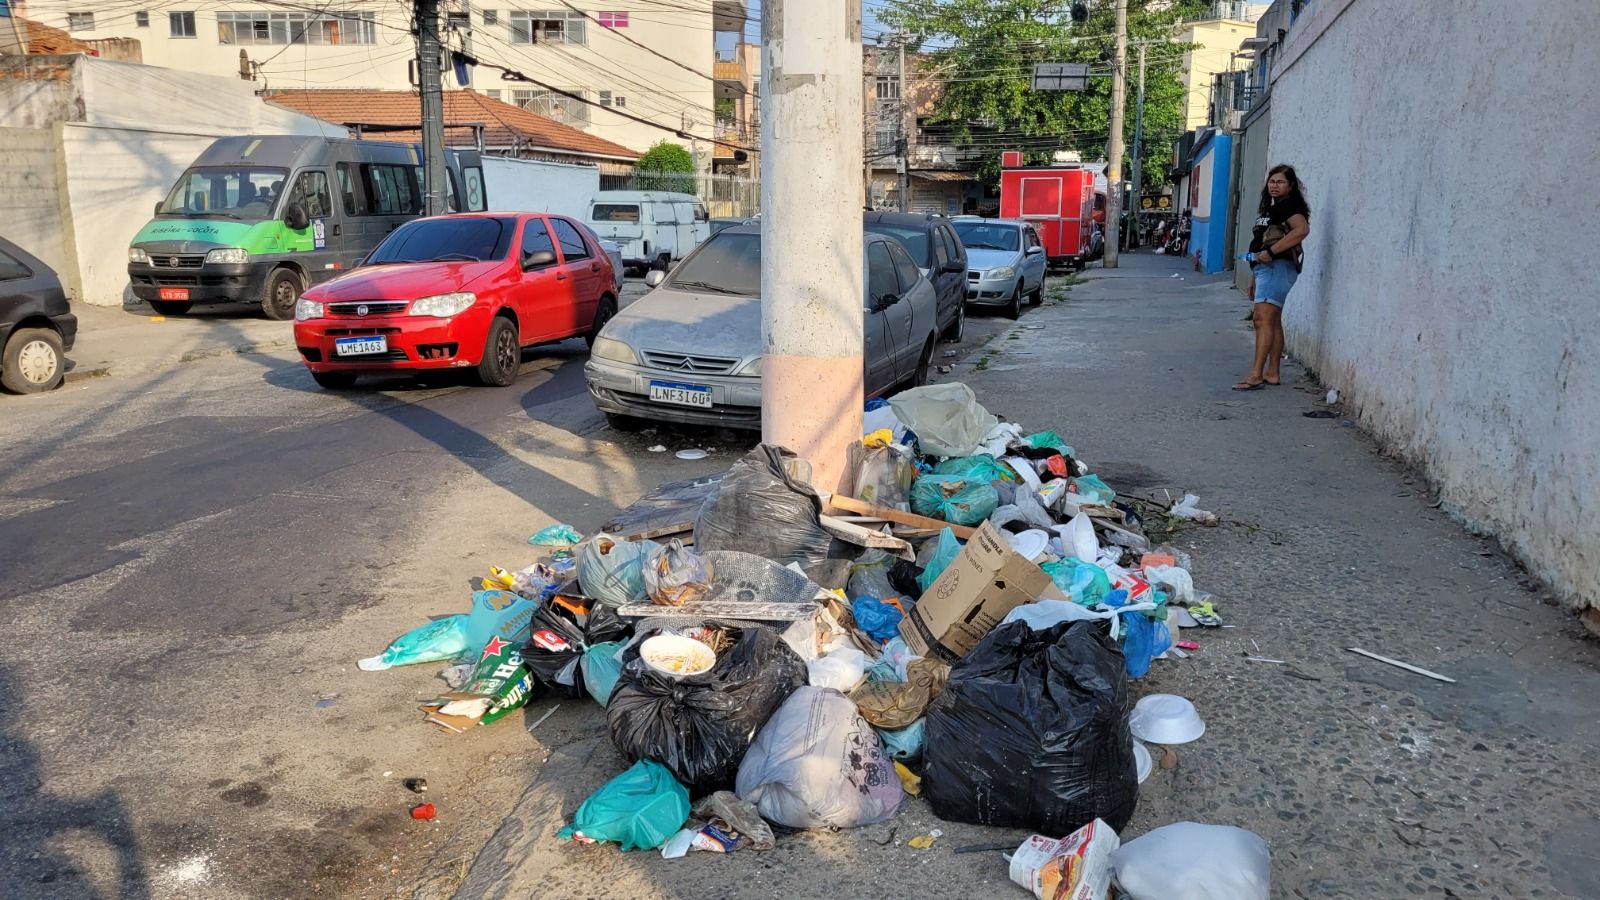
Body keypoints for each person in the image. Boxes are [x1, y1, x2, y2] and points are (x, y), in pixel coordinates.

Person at [1234, 164, 1310, 390]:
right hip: (1266, 270)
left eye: (1280, 182)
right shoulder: (1273, 208)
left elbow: (1302, 230)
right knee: (1272, 321)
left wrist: (1272, 252)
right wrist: (1254, 276)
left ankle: (1256, 374)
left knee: (1261, 320)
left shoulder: (1290, 206)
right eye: (1272, 181)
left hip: (1278, 267)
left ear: (1291, 186)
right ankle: (1272, 372)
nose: (1274, 186)